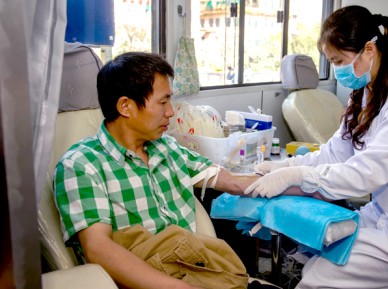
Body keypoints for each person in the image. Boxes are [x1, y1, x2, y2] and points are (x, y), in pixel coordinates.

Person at [244, 5, 388, 289]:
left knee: (318, 277)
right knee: (315, 259)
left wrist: (295, 177)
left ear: (369, 51)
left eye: (339, 61)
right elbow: (335, 152)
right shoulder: (364, 95)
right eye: (331, 62)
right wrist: (286, 166)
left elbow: (366, 173)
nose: (337, 71)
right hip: (387, 215)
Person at [54, 52, 260, 289]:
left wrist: (290, 180)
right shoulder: (81, 164)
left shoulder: (167, 147)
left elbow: (227, 180)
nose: (171, 112)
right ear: (125, 106)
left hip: (195, 269)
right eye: (163, 102)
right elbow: (99, 250)